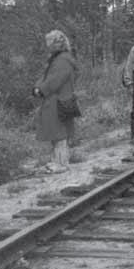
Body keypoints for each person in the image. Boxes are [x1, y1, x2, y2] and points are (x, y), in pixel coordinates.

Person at [33, 30, 80, 172]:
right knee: (56, 134)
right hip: (57, 100)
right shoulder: (59, 58)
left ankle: (61, 164)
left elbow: (54, 81)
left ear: (56, 44)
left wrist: (40, 90)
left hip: (59, 101)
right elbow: (47, 77)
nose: (48, 45)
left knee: (59, 134)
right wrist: (37, 87)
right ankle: (57, 162)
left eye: (50, 42)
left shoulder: (62, 60)